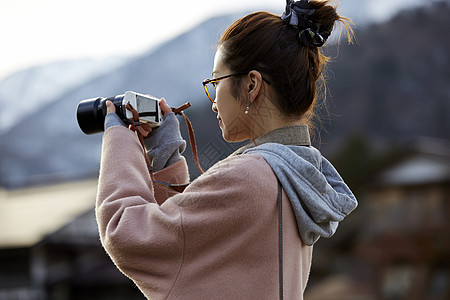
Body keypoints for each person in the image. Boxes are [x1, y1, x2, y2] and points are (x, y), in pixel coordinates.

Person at [96, 0, 357, 299]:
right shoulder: (297, 177)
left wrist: (119, 136)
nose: (213, 99)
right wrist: (165, 152)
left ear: (251, 85)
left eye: (215, 81)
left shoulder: (249, 177)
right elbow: (192, 242)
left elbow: (129, 235)